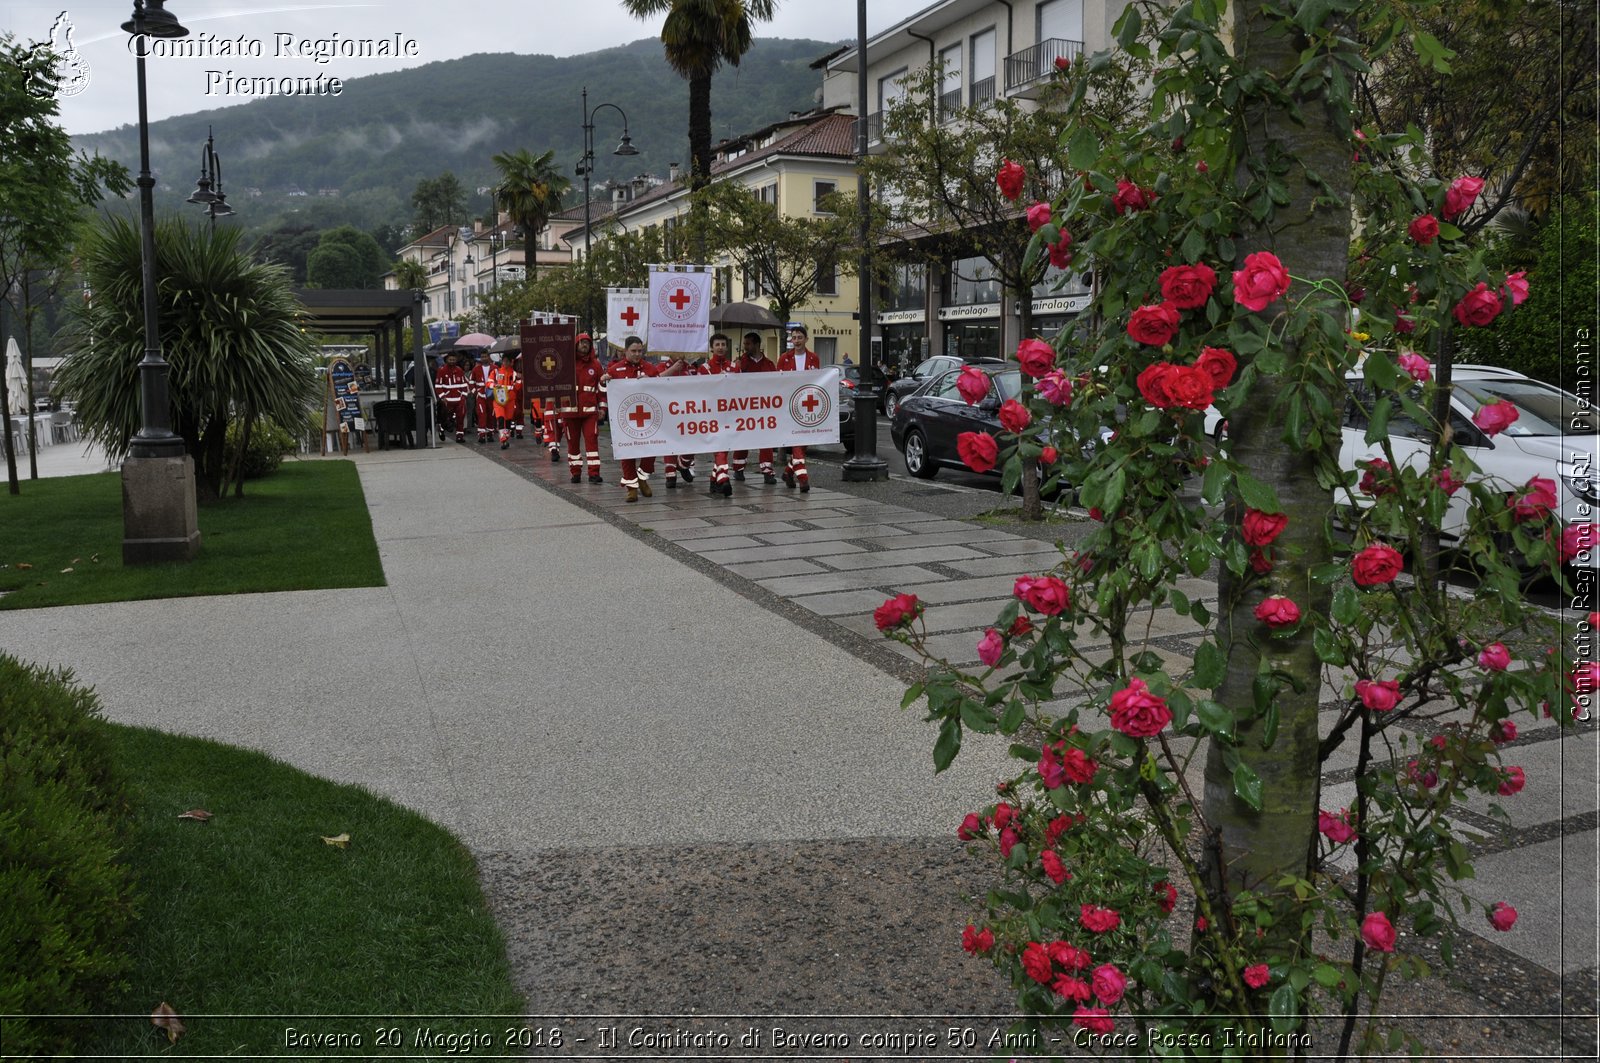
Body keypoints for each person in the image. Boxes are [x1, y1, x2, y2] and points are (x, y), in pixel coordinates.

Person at [605, 336, 658, 502]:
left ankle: (642, 477)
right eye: (633, 351)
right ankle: (631, 488)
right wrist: (603, 381)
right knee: (627, 452)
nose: (637, 354)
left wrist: (652, 382)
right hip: (624, 419)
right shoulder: (615, 370)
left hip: (648, 418)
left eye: (640, 351)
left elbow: (663, 390)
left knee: (651, 449)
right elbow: (602, 391)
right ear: (625, 351)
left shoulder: (650, 369)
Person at [777, 321, 819, 492]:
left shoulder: (813, 358)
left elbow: (818, 380)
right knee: (797, 440)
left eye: (800, 337)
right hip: (790, 406)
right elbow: (778, 381)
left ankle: (788, 472)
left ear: (806, 339)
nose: (797, 340)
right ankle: (803, 478)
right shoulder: (784, 358)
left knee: (804, 443)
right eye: (794, 338)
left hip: (808, 406)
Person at [559, 333, 606, 483]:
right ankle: (575, 473)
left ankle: (594, 474)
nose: (584, 345)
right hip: (570, 412)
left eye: (587, 343)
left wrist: (602, 408)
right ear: (576, 344)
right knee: (572, 444)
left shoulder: (596, 365)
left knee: (592, 442)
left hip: (590, 412)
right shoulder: (566, 363)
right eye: (581, 342)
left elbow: (601, 389)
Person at [731, 331, 777, 485]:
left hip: (764, 408)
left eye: (748, 343)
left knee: (766, 440)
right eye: (744, 344)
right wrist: (737, 369)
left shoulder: (769, 364)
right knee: (743, 438)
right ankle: (738, 468)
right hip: (744, 408)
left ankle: (767, 471)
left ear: (757, 344)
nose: (745, 347)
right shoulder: (741, 363)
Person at [655, 350, 700, 489]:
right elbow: (655, 381)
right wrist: (673, 369)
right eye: (676, 352)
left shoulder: (691, 368)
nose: (680, 355)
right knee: (670, 441)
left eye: (682, 352)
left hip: (688, 411)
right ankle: (670, 474)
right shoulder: (662, 366)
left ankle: (683, 464)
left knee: (693, 438)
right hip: (668, 409)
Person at [701, 333, 737, 497]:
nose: (721, 347)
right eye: (717, 345)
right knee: (719, 447)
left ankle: (714, 481)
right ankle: (724, 479)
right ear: (711, 347)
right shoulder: (704, 369)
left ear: (727, 347)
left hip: (730, 415)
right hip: (712, 416)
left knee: (725, 447)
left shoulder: (735, 367)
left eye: (723, 344)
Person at [434, 351, 471, 443]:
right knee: (445, 419)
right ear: (446, 360)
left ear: (456, 360)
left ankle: (459, 436)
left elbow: (464, 384)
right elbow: (438, 386)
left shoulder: (459, 370)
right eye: (450, 359)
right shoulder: (442, 370)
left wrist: (464, 396)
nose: (452, 361)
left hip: (459, 399)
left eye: (454, 359)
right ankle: (441, 429)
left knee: (460, 417)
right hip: (447, 400)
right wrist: (443, 397)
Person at [491, 352, 522, 450]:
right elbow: (489, 382)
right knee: (500, 418)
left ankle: (506, 437)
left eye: (507, 361)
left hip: (510, 400)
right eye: (504, 361)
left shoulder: (514, 373)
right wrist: (495, 385)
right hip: (498, 400)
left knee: (508, 420)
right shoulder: (496, 372)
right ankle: (502, 439)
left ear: (511, 362)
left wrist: (518, 379)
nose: (505, 363)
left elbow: (518, 387)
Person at [469, 349, 495, 445]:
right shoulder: (476, 369)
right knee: (482, 414)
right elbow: (471, 382)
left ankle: (490, 434)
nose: (484, 358)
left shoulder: (495, 368)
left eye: (485, 356)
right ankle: (481, 435)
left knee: (491, 415)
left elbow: (499, 381)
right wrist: (475, 392)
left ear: (489, 357)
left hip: (492, 396)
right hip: (480, 396)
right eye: (482, 357)